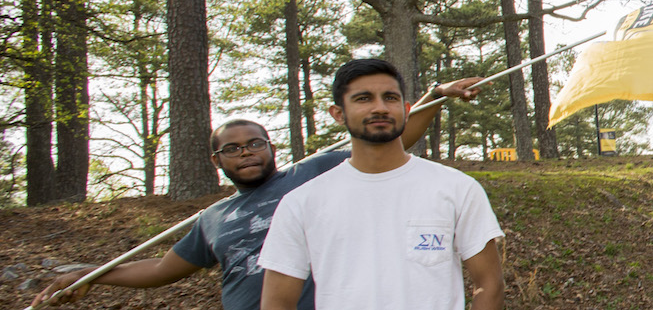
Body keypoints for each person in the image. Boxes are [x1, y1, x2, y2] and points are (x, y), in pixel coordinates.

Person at [31, 78, 483, 310]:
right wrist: (91, 276)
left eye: (255, 144)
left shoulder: (313, 176)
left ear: (271, 148)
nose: (246, 153)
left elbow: (395, 137)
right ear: (217, 161)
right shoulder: (212, 218)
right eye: (232, 149)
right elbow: (160, 269)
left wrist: (436, 94)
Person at [259, 59, 504, 310]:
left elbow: (489, 285)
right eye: (363, 99)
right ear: (338, 114)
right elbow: (277, 302)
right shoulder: (301, 203)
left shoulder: (457, 188)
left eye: (390, 98)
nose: (380, 108)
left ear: (406, 109)